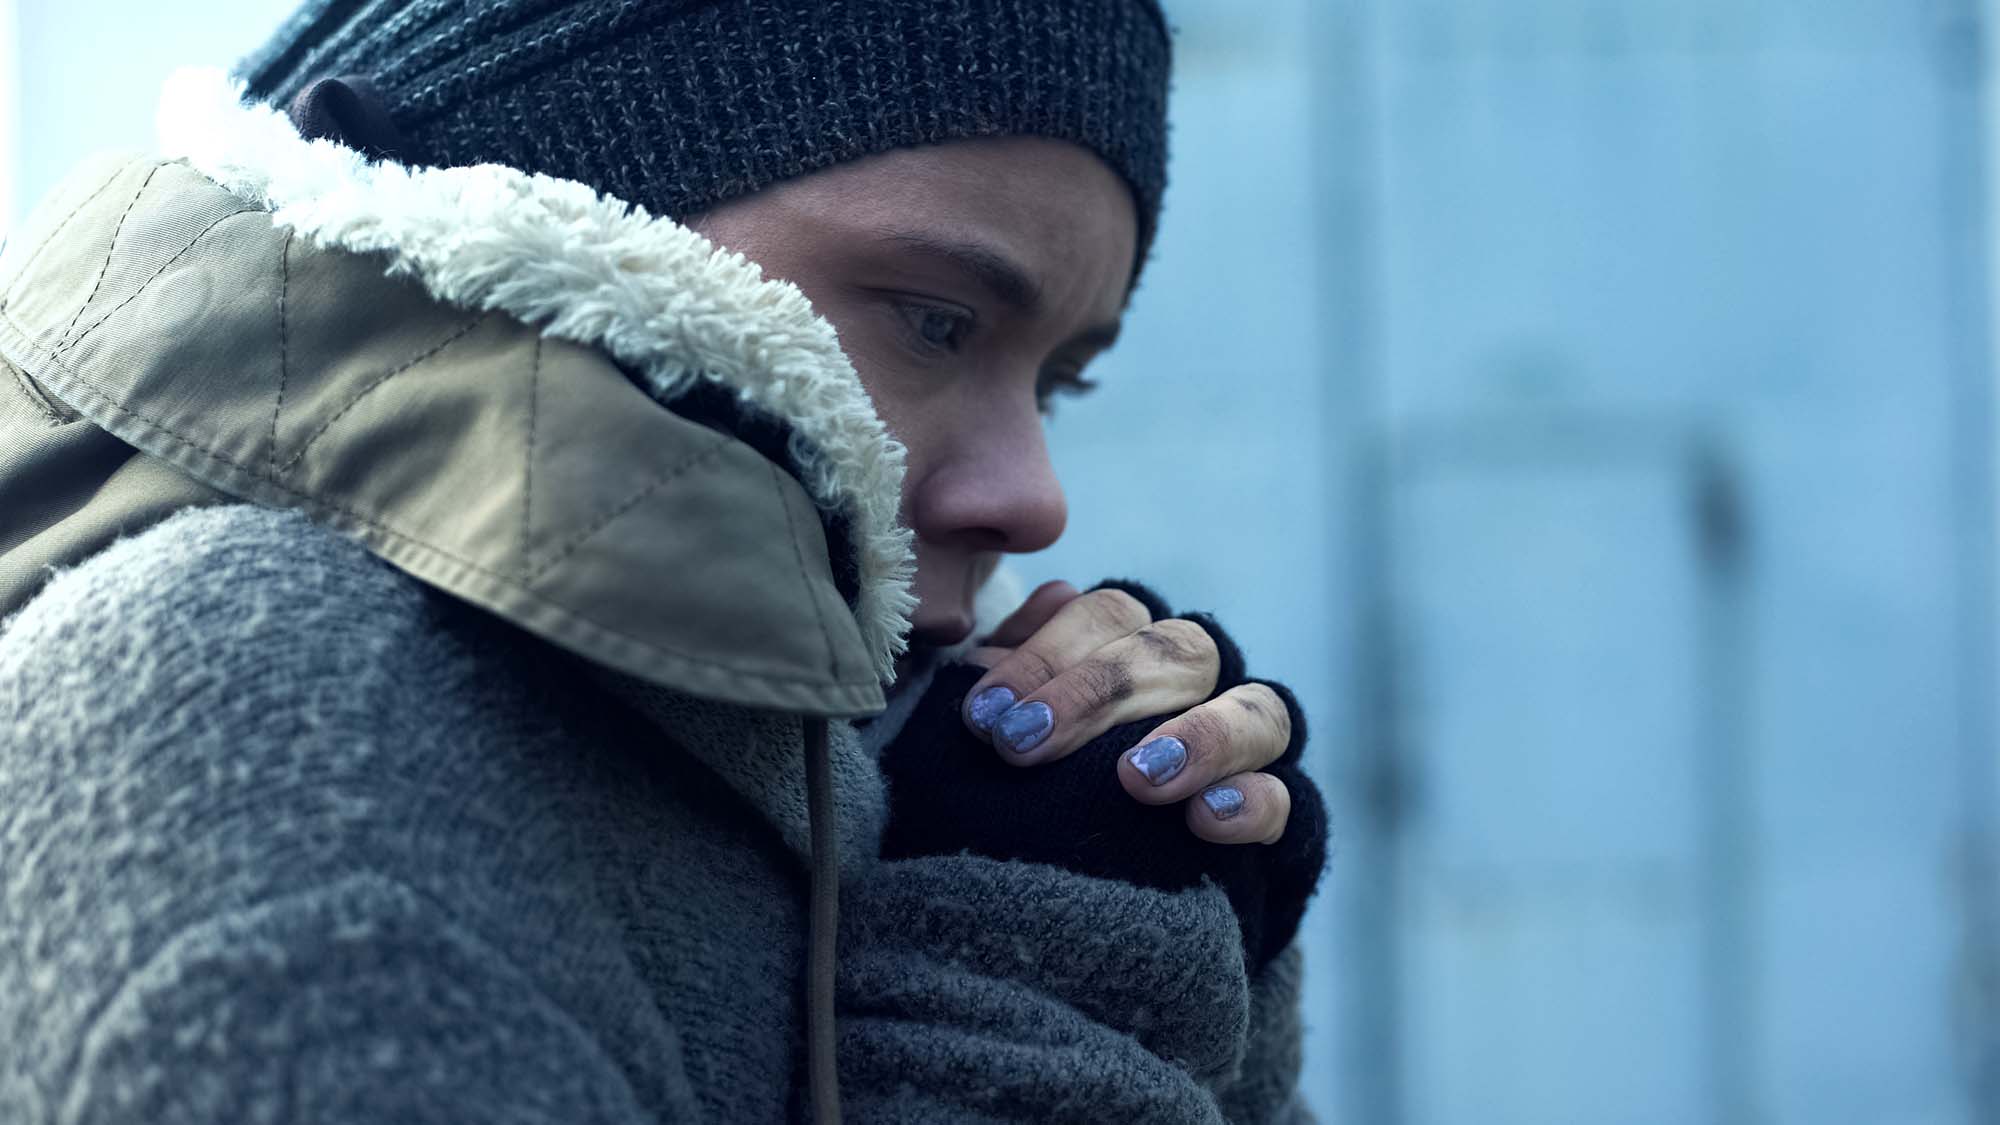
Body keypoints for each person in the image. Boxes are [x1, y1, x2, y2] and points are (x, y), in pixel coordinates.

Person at [0, 1, 1327, 1121]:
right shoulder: (284, 735)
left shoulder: (777, 745)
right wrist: (1020, 981)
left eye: (1063, 384)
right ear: (554, 230)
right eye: (936, 324)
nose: (1036, 499)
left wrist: (1157, 916)